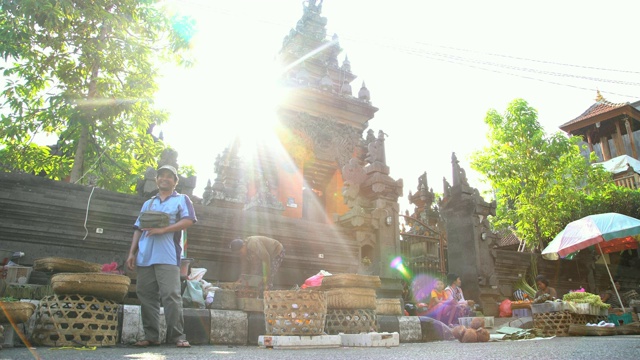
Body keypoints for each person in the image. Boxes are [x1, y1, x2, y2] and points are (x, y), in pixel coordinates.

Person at [126, 165, 197, 348]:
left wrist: (163, 229)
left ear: (175, 181)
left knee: (171, 295)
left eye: (169, 177)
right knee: (146, 296)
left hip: (167, 256)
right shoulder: (148, 203)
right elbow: (138, 229)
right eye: (161, 176)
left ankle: (178, 336)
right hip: (145, 256)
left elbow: (188, 220)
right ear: (157, 179)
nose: (164, 179)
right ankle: (151, 336)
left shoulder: (181, 199)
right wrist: (131, 253)